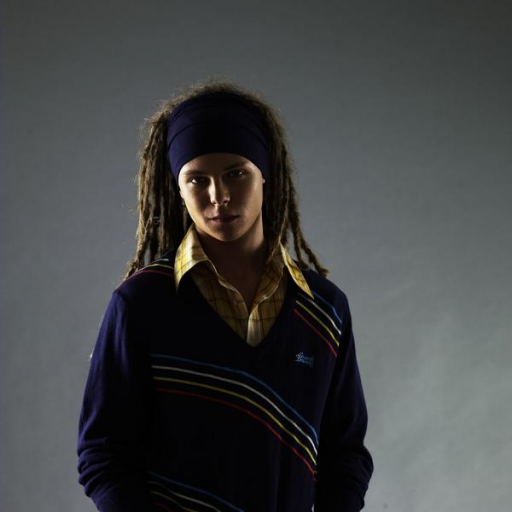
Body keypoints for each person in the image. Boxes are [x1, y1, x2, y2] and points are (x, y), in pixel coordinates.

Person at [76, 79, 374, 512]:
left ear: (265, 173)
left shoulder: (324, 309)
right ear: (178, 189)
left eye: (236, 173)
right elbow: (103, 453)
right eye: (198, 179)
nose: (219, 196)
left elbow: (345, 454)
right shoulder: (141, 304)